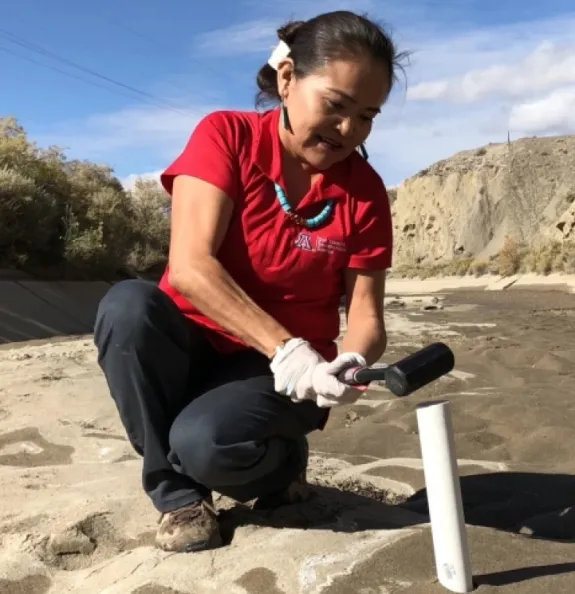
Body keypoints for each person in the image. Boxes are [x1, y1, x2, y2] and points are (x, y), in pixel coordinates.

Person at [94, 9, 407, 554]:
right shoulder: (226, 136)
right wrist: (285, 347)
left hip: (287, 376)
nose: (348, 130)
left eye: (367, 116)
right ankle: (178, 498)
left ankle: (281, 461)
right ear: (287, 79)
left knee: (206, 444)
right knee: (127, 307)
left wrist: (346, 366)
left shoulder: (365, 192)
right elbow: (190, 267)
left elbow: (366, 314)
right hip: (203, 347)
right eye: (335, 106)